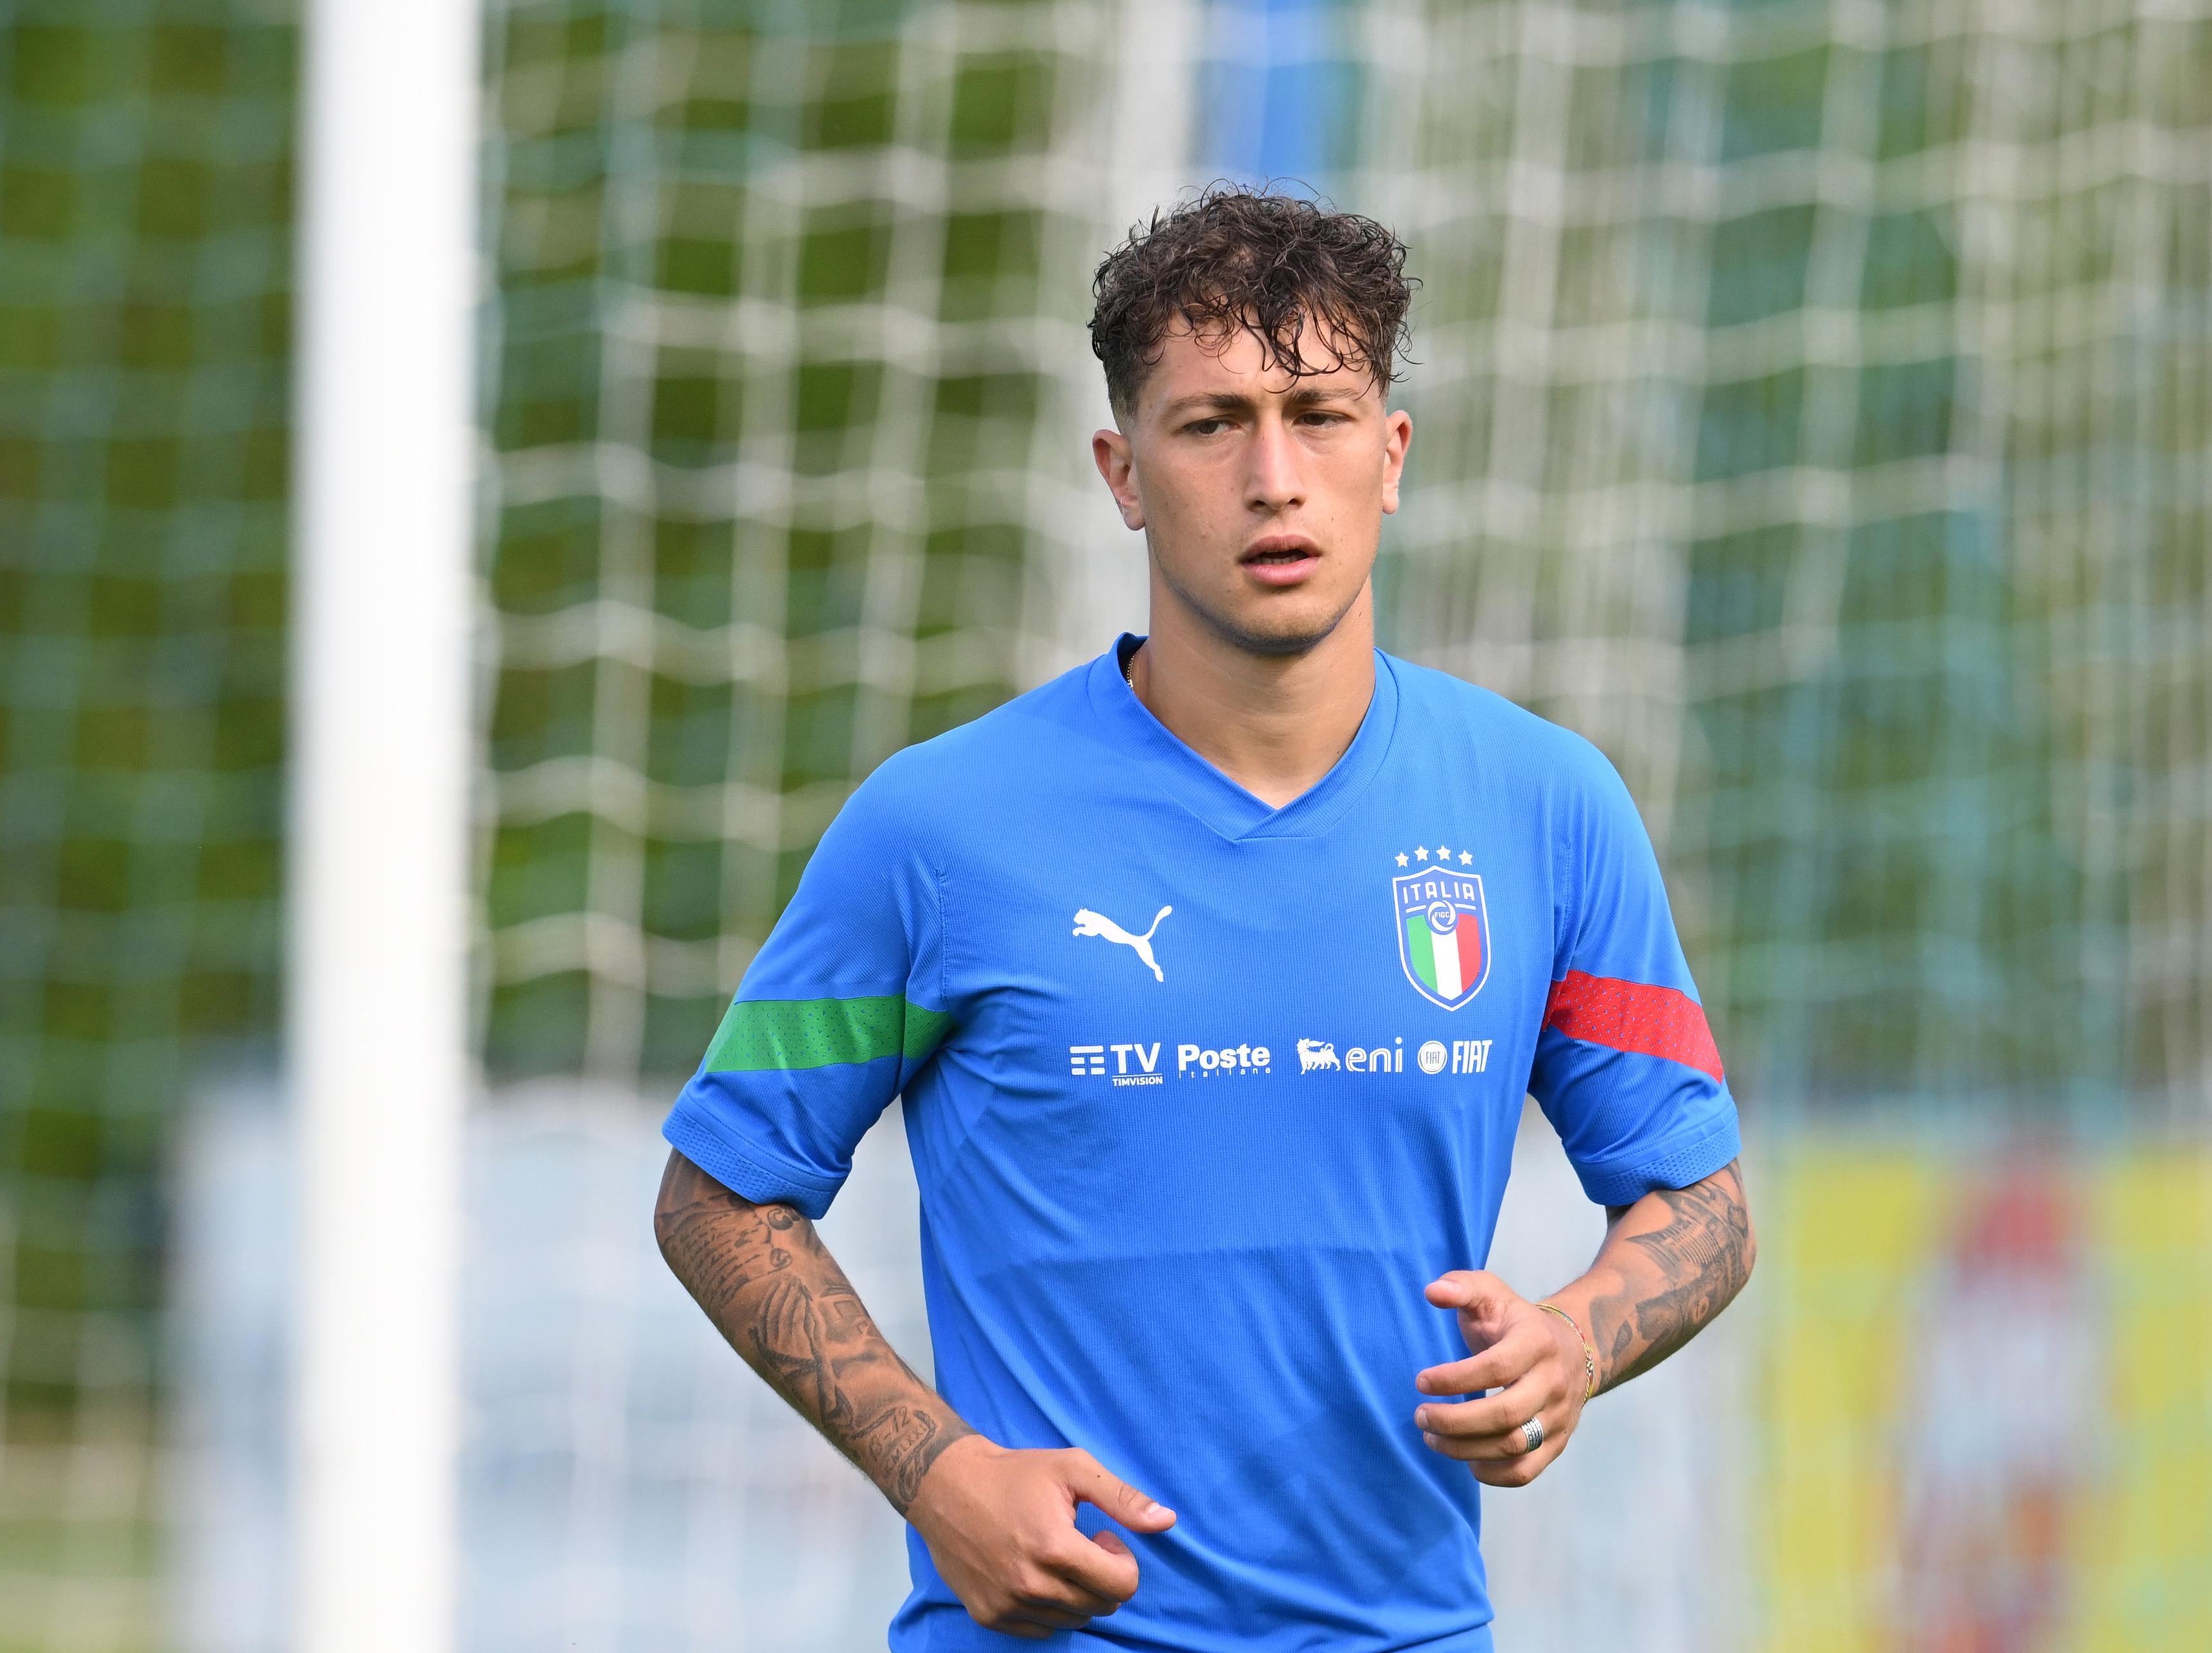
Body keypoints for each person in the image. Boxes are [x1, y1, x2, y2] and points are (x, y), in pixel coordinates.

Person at [652, 184, 1755, 1649]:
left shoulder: (1546, 809)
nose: (1276, 475)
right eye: (1212, 421)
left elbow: (1705, 1202)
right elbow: (720, 1189)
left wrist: (1580, 1334)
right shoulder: (942, 827)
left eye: (1321, 412)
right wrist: (938, 1471)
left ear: (1394, 453)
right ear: (1123, 471)